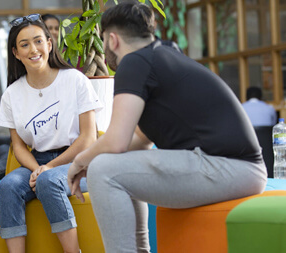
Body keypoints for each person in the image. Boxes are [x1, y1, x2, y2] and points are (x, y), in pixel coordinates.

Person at [67, 2, 267, 252]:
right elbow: (139, 139)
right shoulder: (163, 55)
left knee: (103, 169)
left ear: (112, 39)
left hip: (229, 168)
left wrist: (79, 162)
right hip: (239, 170)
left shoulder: (134, 62)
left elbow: (116, 141)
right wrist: (94, 156)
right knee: (113, 163)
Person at [0, 13, 102, 253]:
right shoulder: (12, 94)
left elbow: (88, 138)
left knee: (47, 181)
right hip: (39, 162)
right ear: (15, 53)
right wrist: (37, 168)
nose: (33, 49)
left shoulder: (75, 80)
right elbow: (19, 146)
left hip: (79, 160)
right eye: (24, 44)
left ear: (49, 43)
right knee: (8, 186)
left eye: (38, 41)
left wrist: (49, 168)